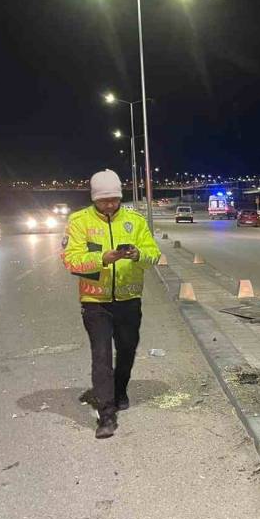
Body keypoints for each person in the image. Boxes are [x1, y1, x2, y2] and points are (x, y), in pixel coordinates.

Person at [62, 169, 161, 438]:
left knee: (127, 351)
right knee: (102, 357)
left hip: (129, 300)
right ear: (94, 199)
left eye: (114, 200)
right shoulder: (79, 221)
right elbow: (71, 260)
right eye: (104, 200)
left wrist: (138, 254)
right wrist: (103, 259)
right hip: (95, 302)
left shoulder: (135, 221)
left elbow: (154, 255)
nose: (109, 205)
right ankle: (106, 414)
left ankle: (120, 391)